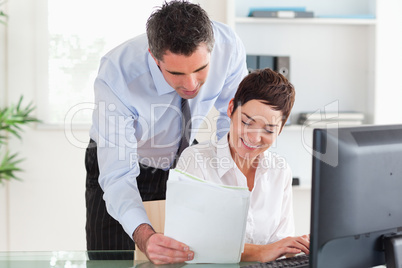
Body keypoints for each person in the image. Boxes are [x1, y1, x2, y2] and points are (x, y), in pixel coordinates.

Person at [85, 0, 248, 264]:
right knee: (112, 260)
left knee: (189, 257)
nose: (191, 84)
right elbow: (117, 175)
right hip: (123, 159)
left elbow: (233, 119)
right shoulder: (118, 74)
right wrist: (145, 236)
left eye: (200, 69)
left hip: (183, 157)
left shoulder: (228, 47)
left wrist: (224, 177)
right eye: (176, 73)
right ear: (154, 56)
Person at [176, 68, 310, 262]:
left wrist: (296, 246)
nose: (254, 137)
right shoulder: (196, 161)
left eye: (269, 129)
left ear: (281, 128)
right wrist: (262, 252)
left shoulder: (280, 171)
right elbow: (188, 247)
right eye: (247, 122)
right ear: (231, 109)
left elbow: (280, 245)